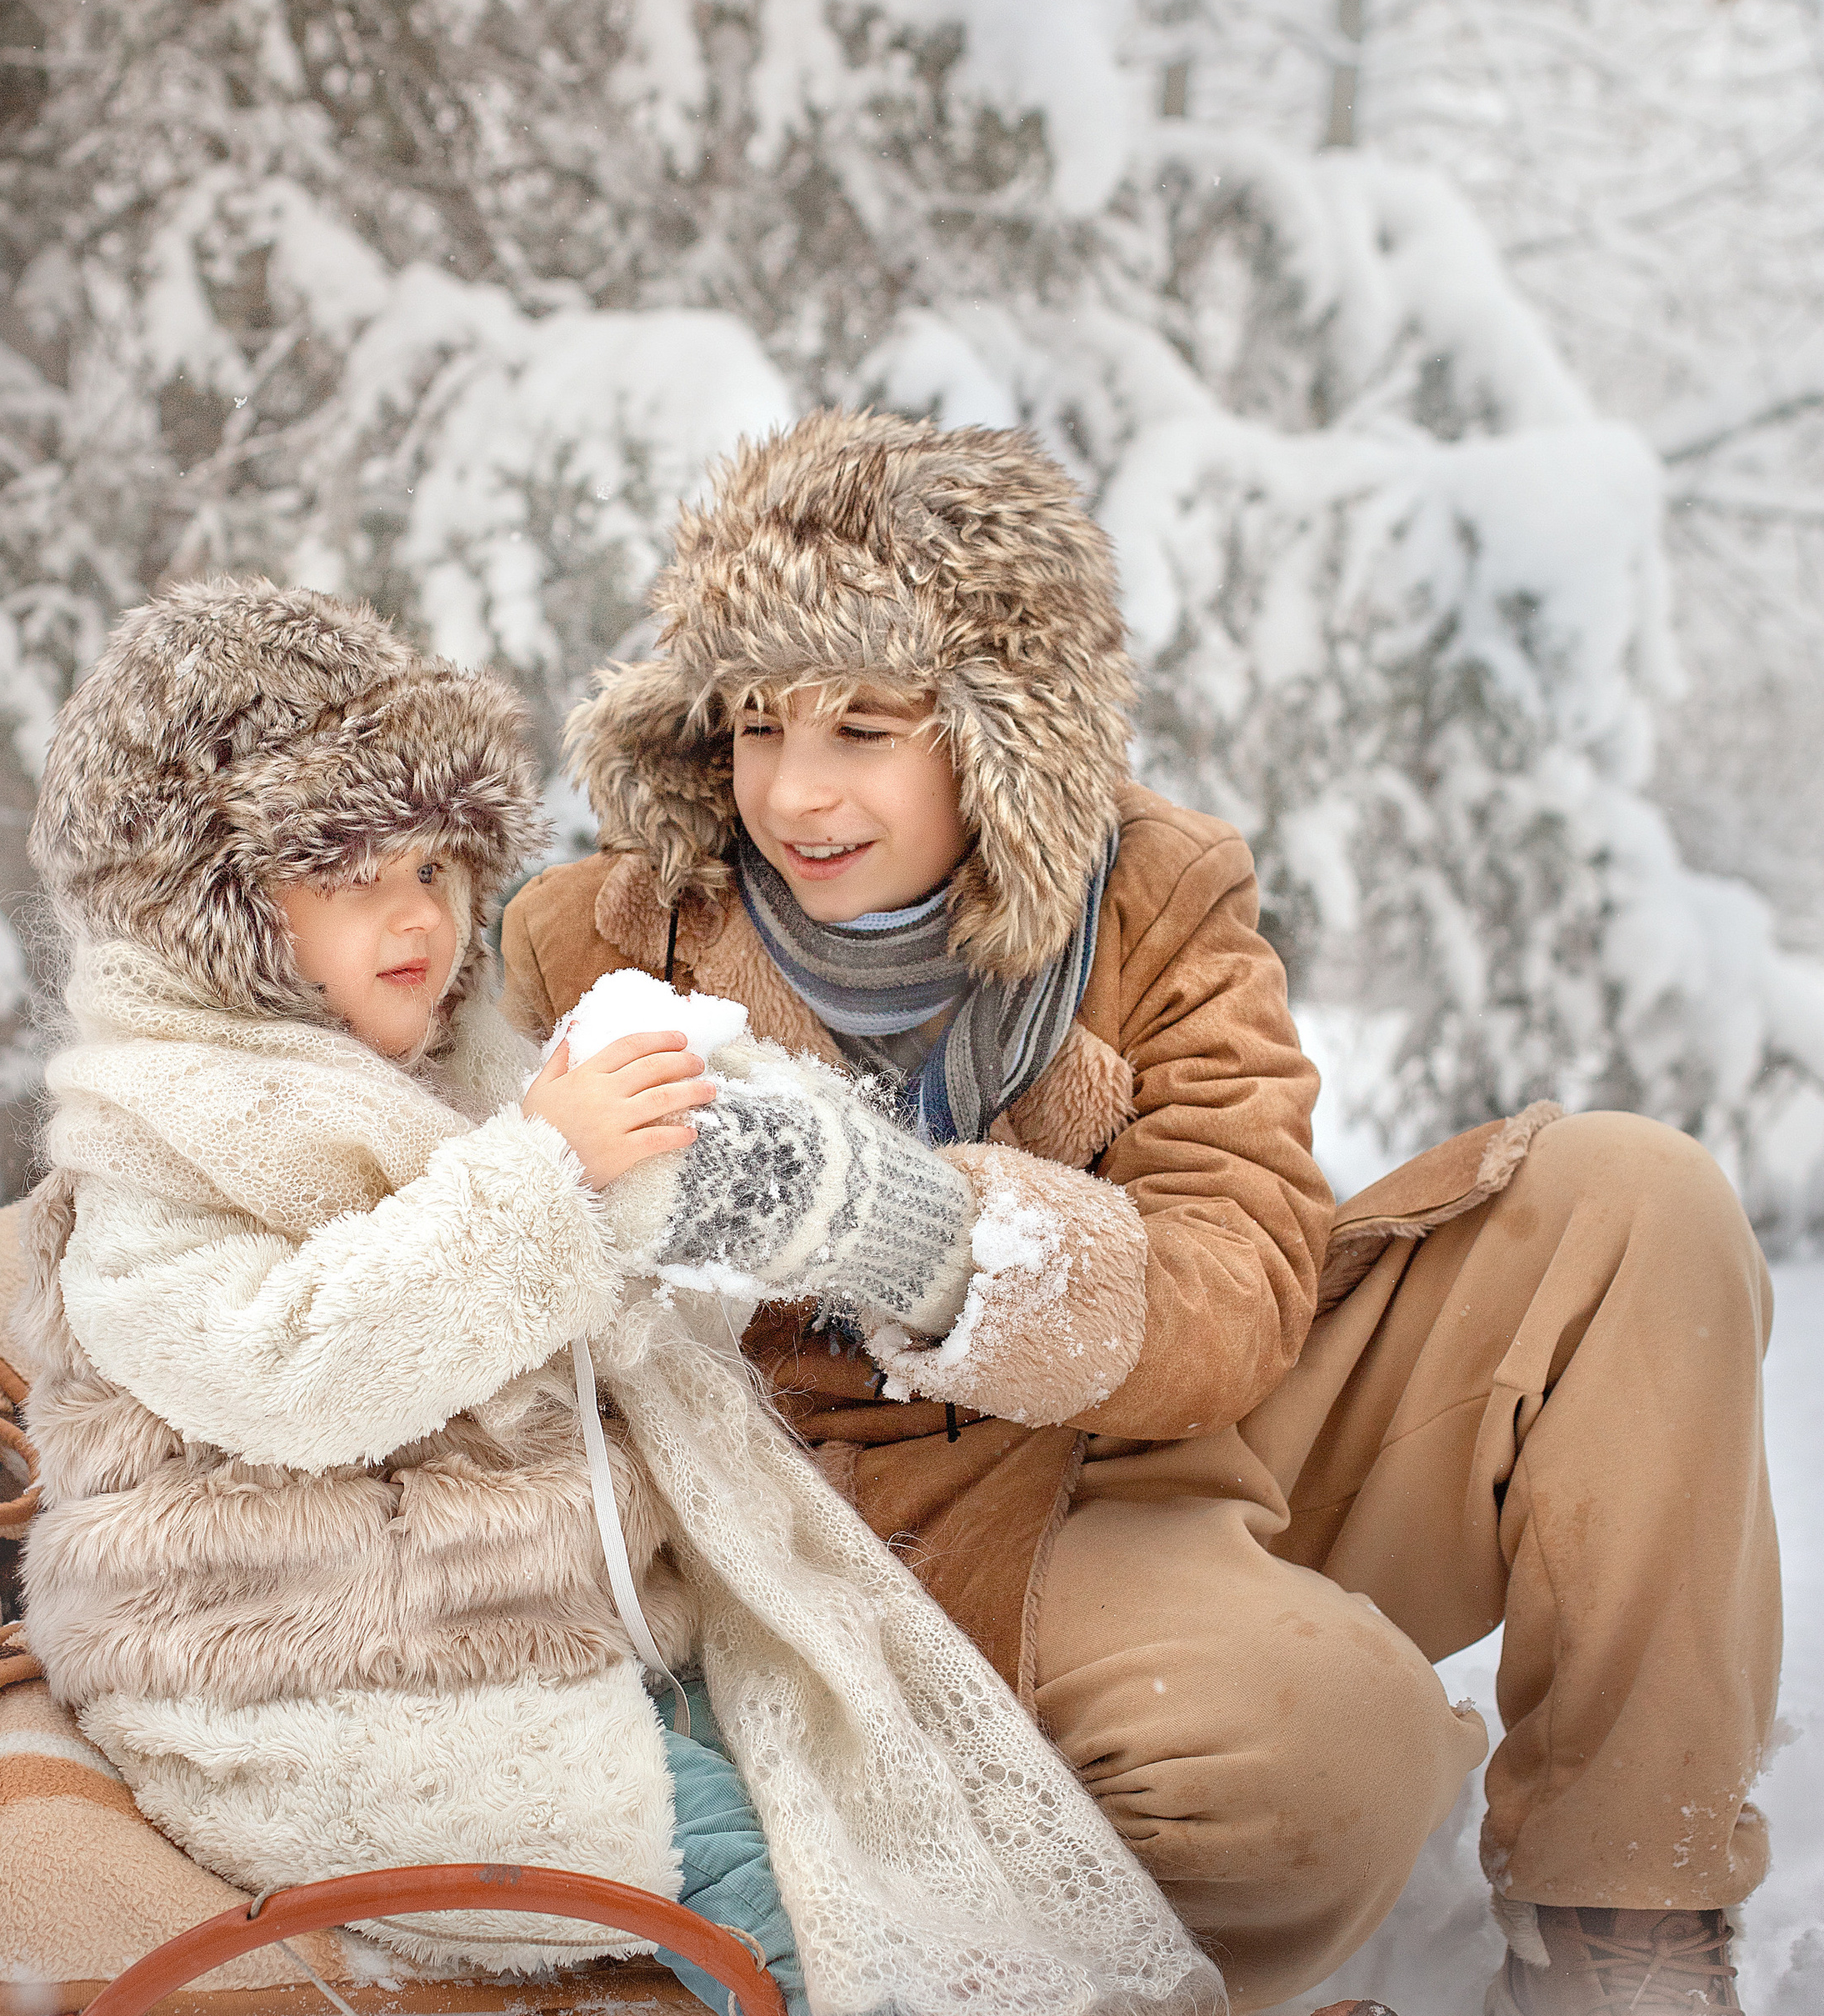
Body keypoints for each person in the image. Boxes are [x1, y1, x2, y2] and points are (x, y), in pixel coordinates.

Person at [498, 409, 1780, 2016]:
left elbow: (1240, 1279)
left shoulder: (1160, 889)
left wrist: (920, 1237)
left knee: (1632, 1200)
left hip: (1164, 1422)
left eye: (866, 727)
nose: (796, 792)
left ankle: (1626, 1915)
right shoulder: (592, 940)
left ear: (1003, 730)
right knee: (1329, 1759)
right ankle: (1021, 1906)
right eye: (758, 724)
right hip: (883, 1541)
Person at [14, 574, 1218, 2016]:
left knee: (865, 1770)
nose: (417, 916)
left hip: (532, 1641)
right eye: (346, 874)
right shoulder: (157, 1147)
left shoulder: (438, 1078)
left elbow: (594, 1342)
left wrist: (701, 1185)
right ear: (206, 912)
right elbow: (299, 1364)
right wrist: (550, 1180)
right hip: (312, 1682)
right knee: (778, 1894)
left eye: (434, 865)